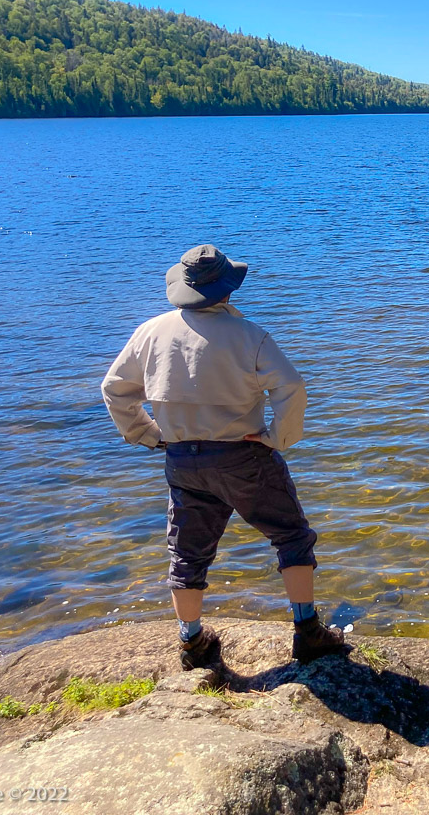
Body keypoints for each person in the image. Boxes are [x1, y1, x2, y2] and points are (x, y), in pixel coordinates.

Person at [100, 244, 346, 669]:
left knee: (188, 553)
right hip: (243, 457)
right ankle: (308, 632)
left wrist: (149, 435)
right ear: (227, 290)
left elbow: (115, 390)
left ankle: (192, 642)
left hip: (183, 460)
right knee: (290, 536)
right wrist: (276, 438)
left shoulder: (150, 332)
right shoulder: (250, 336)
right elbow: (291, 389)